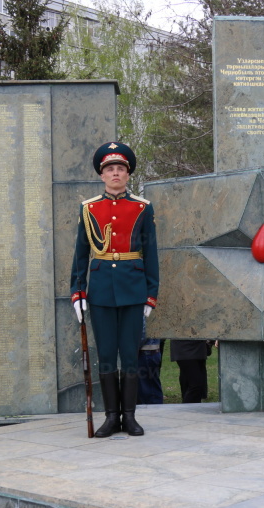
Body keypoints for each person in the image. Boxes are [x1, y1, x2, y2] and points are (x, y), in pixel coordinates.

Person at [70, 142, 159, 437]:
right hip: (101, 292)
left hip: (133, 288)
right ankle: (111, 417)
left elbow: (152, 253)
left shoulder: (142, 208)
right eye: (110, 169)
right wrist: (78, 292)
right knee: (107, 354)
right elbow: (81, 255)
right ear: (102, 175)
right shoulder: (89, 208)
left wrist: (151, 293)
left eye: (120, 168)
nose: (116, 173)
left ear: (128, 174)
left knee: (130, 356)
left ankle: (130, 417)